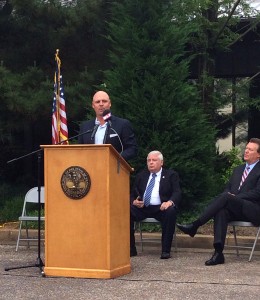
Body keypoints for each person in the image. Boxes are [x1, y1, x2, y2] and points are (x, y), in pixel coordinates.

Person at [177, 137, 260, 266]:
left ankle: (195, 225)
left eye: (250, 149)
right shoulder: (238, 170)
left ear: (258, 155)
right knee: (221, 210)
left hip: (253, 210)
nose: (246, 151)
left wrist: (235, 198)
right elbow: (227, 189)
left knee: (227, 197)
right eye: (246, 148)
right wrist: (231, 197)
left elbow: (257, 193)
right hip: (236, 208)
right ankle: (218, 253)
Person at [130, 150, 181, 259]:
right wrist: (134, 201)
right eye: (149, 160)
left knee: (171, 211)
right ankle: (131, 249)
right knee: (126, 210)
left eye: (154, 160)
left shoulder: (170, 175)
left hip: (161, 208)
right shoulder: (141, 176)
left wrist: (169, 202)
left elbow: (177, 192)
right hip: (143, 207)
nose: (151, 163)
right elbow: (132, 193)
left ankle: (165, 251)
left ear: (161, 162)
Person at [78, 90, 137, 162]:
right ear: (93, 105)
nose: (101, 104)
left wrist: (114, 159)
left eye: (104, 101)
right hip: (90, 169)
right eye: (97, 102)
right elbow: (79, 150)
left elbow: (131, 149)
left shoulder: (122, 124)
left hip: (114, 169)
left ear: (110, 103)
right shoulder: (85, 126)